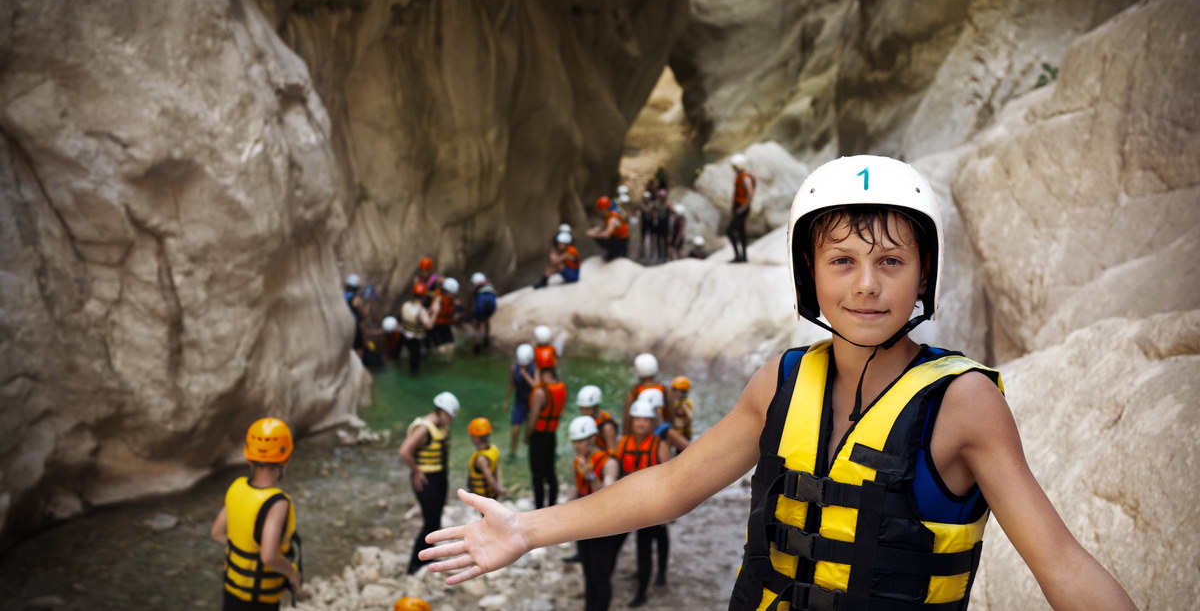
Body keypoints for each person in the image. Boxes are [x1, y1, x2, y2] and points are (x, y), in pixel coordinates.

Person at [418, 155, 1137, 611]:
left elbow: (1061, 564)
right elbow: (670, 487)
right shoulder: (780, 382)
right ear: (808, 274)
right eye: (842, 260)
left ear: (924, 275)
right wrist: (526, 529)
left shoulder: (964, 403)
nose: (865, 285)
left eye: (890, 262)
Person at [210, 418, 304, 610]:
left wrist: (246, 551)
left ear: (249, 455)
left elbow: (217, 534)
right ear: (286, 458)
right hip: (258, 601)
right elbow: (268, 556)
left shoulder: (236, 488)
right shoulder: (277, 503)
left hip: (231, 590)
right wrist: (292, 573)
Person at [616, 395, 673, 608]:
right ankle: (645, 576)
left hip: (653, 507)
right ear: (631, 421)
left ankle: (647, 588)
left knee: (646, 546)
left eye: (645, 420)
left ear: (651, 423)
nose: (641, 423)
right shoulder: (623, 444)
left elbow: (669, 478)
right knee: (638, 545)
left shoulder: (659, 445)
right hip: (631, 505)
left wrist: (666, 510)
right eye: (637, 419)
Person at [398, 391, 458, 574]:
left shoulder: (439, 425)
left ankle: (428, 556)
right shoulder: (424, 428)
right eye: (450, 416)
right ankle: (415, 564)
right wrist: (416, 471)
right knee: (430, 523)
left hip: (438, 477)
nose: (451, 421)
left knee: (435, 521)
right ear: (442, 412)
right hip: (426, 480)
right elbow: (404, 451)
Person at [568, 416, 624, 611]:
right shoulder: (580, 461)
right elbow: (577, 489)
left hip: (604, 525)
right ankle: (590, 606)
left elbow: (607, 496)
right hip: (584, 522)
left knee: (601, 573)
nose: (577, 446)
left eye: (580, 441)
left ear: (592, 439)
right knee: (587, 569)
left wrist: (591, 476)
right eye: (574, 441)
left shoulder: (610, 463)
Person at [526, 366, 567, 509]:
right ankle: (552, 505)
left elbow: (533, 417)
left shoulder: (540, 392)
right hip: (551, 434)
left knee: (537, 475)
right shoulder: (561, 387)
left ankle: (538, 507)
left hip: (538, 436)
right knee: (550, 472)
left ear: (543, 373)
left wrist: (527, 436)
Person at [621, 353, 672, 436]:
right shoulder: (665, 390)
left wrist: (625, 438)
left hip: (639, 435)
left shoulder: (634, 392)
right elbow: (670, 417)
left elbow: (627, 420)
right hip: (661, 434)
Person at [504, 343, 537, 457]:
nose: (523, 367)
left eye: (525, 365)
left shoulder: (536, 369)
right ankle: (512, 453)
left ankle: (530, 451)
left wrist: (525, 375)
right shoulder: (514, 368)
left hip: (532, 403)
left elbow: (536, 387)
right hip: (520, 402)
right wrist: (506, 401)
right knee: (515, 430)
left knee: (531, 431)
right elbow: (510, 385)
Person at [399, 283, 440, 375]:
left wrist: (430, 310)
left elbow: (417, 316)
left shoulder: (406, 305)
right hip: (415, 340)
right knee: (414, 364)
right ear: (424, 297)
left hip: (405, 336)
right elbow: (429, 326)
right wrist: (435, 312)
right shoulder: (421, 311)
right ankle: (413, 376)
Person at [467, 418, 506, 500]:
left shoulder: (481, 459)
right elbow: (497, 470)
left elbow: (490, 480)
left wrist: (500, 491)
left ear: (475, 438)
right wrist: (500, 487)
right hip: (493, 494)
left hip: (484, 498)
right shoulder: (493, 449)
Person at [727, 153, 755, 263]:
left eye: (734, 166)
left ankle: (738, 256)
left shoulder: (745, 178)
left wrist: (743, 208)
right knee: (741, 231)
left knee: (730, 231)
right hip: (739, 207)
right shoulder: (742, 176)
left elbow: (750, 193)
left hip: (741, 208)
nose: (733, 168)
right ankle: (743, 256)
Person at [576, 384, 618, 453]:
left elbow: (613, 451)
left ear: (596, 407)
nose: (584, 412)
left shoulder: (607, 427)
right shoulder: (584, 423)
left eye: (587, 409)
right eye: (581, 408)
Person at [586, 197, 630, 261]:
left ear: (604, 209)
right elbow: (601, 227)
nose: (598, 211)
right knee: (600, 237)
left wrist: (594, 235)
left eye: (600, 209)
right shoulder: (608, 215)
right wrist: (592, 230)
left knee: (601, 238)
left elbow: (606, 234)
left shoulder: (612, 218)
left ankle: (616, 253)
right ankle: (613, 252)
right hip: (617, 237)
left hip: (621, 241)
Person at [469, 272, 498, 351]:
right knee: (486, 319)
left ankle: (477, 344)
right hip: (492, 305)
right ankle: (486, 338)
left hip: (481, 303)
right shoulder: (490, 286)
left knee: (477, 323)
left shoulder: (477, 287)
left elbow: (474, 300)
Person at [430, 277, 459, 354]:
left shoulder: (450, 299)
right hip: (437, 327)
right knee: (441, 350)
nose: (455, 294)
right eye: (453, 292)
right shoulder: (438, 298)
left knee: (451, 347)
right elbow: (432, 312)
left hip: (446, 325)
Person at [345, 273, 366, 357]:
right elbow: (363, 315)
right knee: (358, 349)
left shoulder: (342, 295)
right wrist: (369, 303)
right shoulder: (356, 299)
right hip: (354, 326)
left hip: (344, 325)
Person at [668, 376, 695, 442]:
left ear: (682, 392)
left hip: (684, 436)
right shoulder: (678, 402)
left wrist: (683, 424)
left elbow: (690, 416)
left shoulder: (684, 403)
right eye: (673, 389)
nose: (673, 391)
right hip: (678, 435)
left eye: (675, 389)